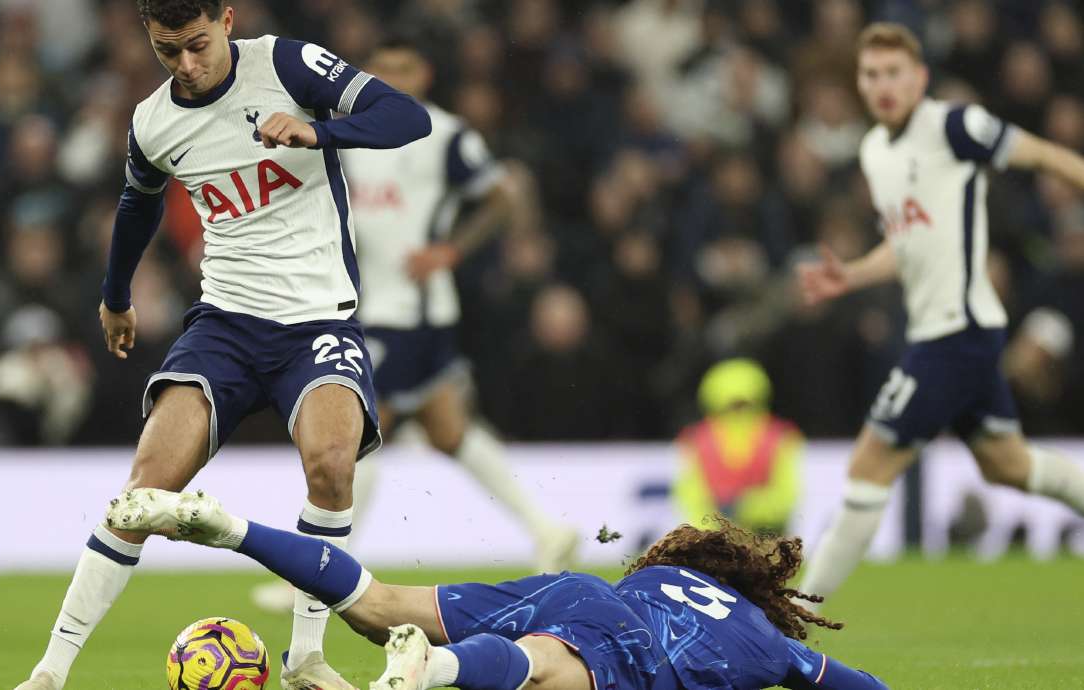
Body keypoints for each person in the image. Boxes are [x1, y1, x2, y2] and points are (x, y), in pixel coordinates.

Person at [14, 2, 431, 688]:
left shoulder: (288, 65)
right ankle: (50, 673)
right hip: (227, 327)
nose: (187, 65)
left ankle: (305, 656)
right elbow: (137, 202)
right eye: (168, 49)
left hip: (320, 322)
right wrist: (115, 295)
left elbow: (405, 116)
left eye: (198, 45)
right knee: (145, 491)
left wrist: (319, 131)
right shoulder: (154, 121)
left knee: (331, 466)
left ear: (227, 19)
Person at [797, 23, 1084, 608]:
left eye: (894, 73)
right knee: (1009, 466)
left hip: (959, 332)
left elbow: (1047, 154)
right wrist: (851, 274)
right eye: (871, 74)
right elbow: (907, 246)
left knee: (870, 460)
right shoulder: (875, 151)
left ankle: (797, 613)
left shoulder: (956, 126)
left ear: (919, 77)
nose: (883, 85)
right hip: (948, 333)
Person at [107, 487, 888, 690]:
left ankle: (231, 528)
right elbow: (855, 684)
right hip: (631, 646)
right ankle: (437, 670)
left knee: (379, 605)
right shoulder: (766, 643)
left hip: (580, 589)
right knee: (546, 667)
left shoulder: (666, 571)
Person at [335, 36, 575, 569]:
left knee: (356, 427)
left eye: (405, 68)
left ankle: (326, 564)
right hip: (373, 304)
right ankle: (549, 529)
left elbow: (501, 196)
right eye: (383, 67)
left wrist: (451, 250)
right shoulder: (350, 132)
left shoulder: (445, 134)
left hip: (410, 310)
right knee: (448, 430)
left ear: (424, 75)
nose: (394, 77)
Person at [675, 358, 802, 535]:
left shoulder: (780, 437)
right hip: (714, 536)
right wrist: (709, 528)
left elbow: (787, 492)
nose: (738, 411)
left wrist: (745, 509)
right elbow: (690, 493)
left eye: (743, 404)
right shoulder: (695, 439)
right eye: (733, 405)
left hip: (766, 532)